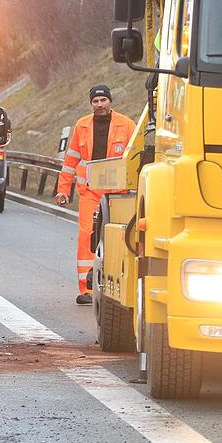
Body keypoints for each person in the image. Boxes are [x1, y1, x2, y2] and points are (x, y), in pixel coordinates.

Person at [55, 85, 136, 305]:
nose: (100, 105)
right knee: (86, 237)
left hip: (118, 193)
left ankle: (117, 287)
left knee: (119, 238)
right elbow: (70, 160)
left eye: (103, 100)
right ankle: (87, 289)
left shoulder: (127, 125)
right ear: (91, 104)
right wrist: (63, 190)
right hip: (90, 192)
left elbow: (135, 158)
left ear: (110, 101)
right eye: (95, 101)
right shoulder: (82, 126)